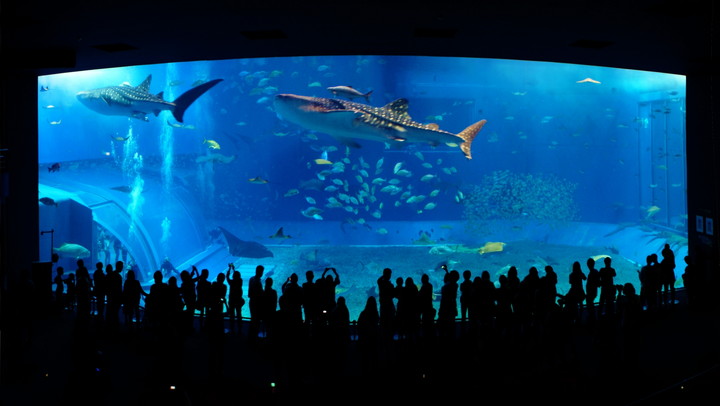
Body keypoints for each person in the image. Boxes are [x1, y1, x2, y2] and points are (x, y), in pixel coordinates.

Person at [226, 263, 245, 333]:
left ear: (233, 276)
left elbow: (227, 277)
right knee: (239, 313)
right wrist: (233, 269)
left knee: (232, 315)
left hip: (232, 301)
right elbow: (237, 276)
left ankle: (232, 327)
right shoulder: (240, 281)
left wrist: (229, 269)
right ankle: (240, 327)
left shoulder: (231, 282)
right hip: (238, 300)